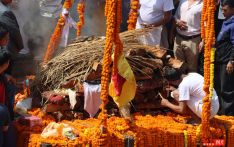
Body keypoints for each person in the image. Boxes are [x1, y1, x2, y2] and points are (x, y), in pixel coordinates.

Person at [214, 0, 234, 116]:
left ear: (233, 9)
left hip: (227, 61)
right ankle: (221, 113)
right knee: (219, 88)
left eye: (225, 10)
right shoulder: (226, 20)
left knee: (226, 90)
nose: (223, 11)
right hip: (220, 59)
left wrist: (231, 61)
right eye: (222, 9)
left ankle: (228, 116)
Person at [172, 0, 203, 72]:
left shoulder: (203, 4)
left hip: (193, 40)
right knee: (178, 67)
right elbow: (176, 16)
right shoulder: (182, 1)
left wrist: (203, 40)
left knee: (192, 68)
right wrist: (177, 22)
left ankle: (191, 83)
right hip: (178, 39)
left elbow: (206, 24)